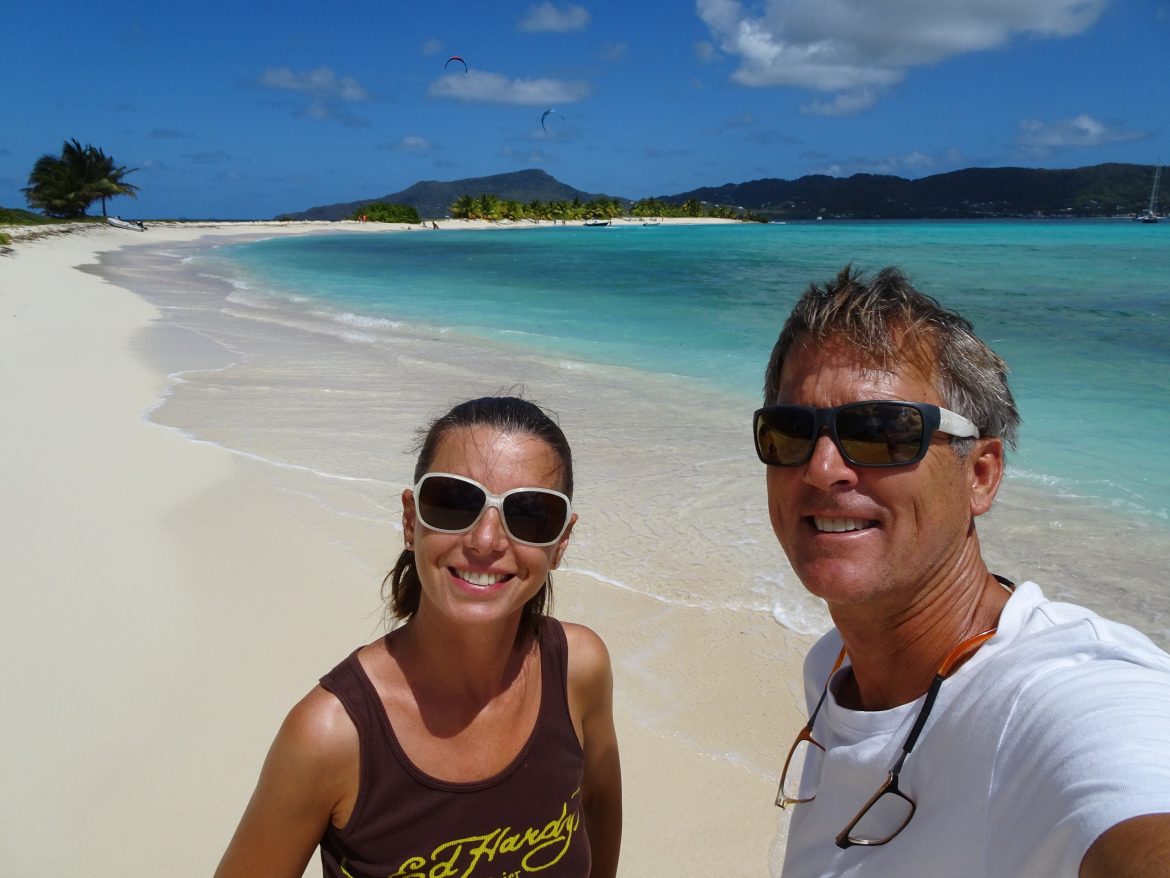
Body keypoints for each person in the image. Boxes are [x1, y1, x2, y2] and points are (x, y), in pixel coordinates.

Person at [754, 266, 1170, 877]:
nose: (821, 470)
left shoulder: (1056, 700)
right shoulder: (834, 664)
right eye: (791, 432)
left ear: (980, 475)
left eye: (881, 432)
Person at [215, 396, 622, 878]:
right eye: (454, 502)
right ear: (411, 519)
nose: (486, 541)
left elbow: (597, 807)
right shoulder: (331, 735)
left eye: (531, 514)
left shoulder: (578, 670)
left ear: (560, 544)